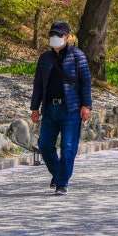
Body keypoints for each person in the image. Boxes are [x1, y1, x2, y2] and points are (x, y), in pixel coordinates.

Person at [30, 20, 92, 196]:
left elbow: (86, 83)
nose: (55, 38)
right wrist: (35, 108)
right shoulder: (45, 58)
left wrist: (86, 105)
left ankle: (62, 183)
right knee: (44, 145)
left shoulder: (77, 56)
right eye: (52, 35)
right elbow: (38, 85)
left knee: (68, 147)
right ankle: (59, 174)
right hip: (50, 109)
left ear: (67, 37)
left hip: (71, 109)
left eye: (59, 35)